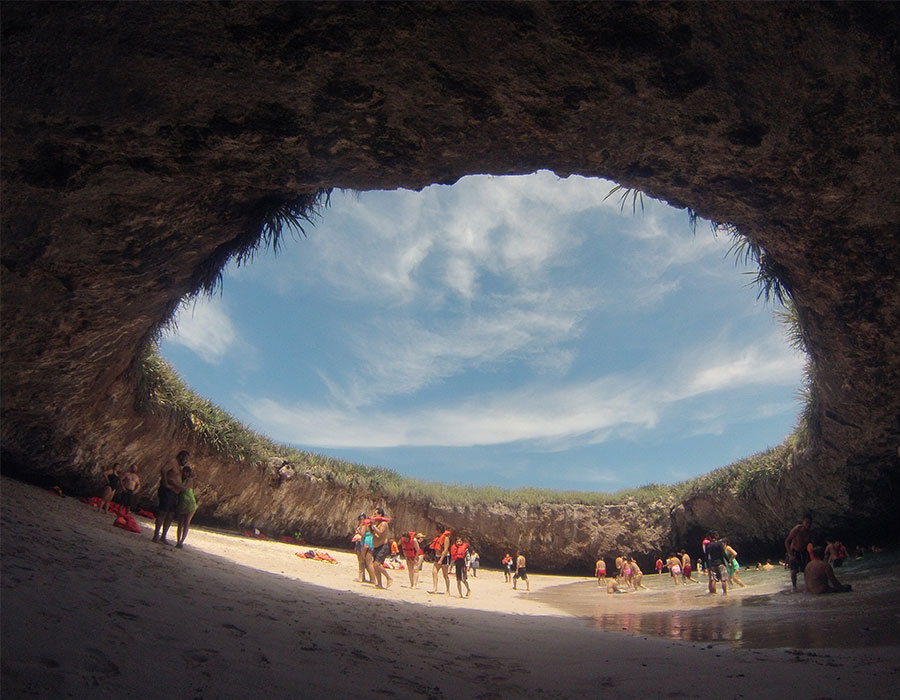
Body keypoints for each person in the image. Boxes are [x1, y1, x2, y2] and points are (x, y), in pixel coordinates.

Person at [153, 450, 187, 544]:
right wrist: (166, 483)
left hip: (174, 493)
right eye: (185, 459)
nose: (186, 461)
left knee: (170, 515)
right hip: (167, 491)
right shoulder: (173, 462)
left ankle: (163, 536)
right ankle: (156, 535)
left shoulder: (179, 467)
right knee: (163, 513)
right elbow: (163, 470)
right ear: (181, 457)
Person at [785, 514, 814, 591]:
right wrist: (790, 554)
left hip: (803, 551)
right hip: (794, 551)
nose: (808, 525)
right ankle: (794, 587)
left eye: (810, 523)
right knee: (794, 571)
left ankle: (807, 586)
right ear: (803, 522)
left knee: (806, 570)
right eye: (806, 522)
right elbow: (787, 542)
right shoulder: (797, 529)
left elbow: (811, 542)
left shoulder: (810, 532)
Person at [369, 507, 393, 590]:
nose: (374, 515)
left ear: (380, 514)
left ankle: (388, 577)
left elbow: (380, 532)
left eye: (375, 514)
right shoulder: (376, 524)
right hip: (376, 546)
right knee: (375, 566)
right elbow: (372, 533)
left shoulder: (383, 523)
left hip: (383, 546)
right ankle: (379, 584)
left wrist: (374, 527)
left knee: (377, 564)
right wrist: (370, 525)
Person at [174, 465, 198, 549]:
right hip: (182, 503)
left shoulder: (189, 480)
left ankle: (181, 541)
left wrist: (174, 484)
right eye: (184, 472)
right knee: (180, 523)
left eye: (186, 472)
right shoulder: (181, 480)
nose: (185, 473)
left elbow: (184, 488)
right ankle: (178, 540)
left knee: (186, 522)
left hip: (190, 503)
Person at [428, 525, 451, 594]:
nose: (435, 531)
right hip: (437, 556)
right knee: (434, 572)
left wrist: (441, 559)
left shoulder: (446, 538)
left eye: (436, 530)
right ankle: (435, 589)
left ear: (439, 530)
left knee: (445, 575)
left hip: (444, 557)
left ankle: (447, 590)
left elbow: (446, 549)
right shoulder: (438, 538)